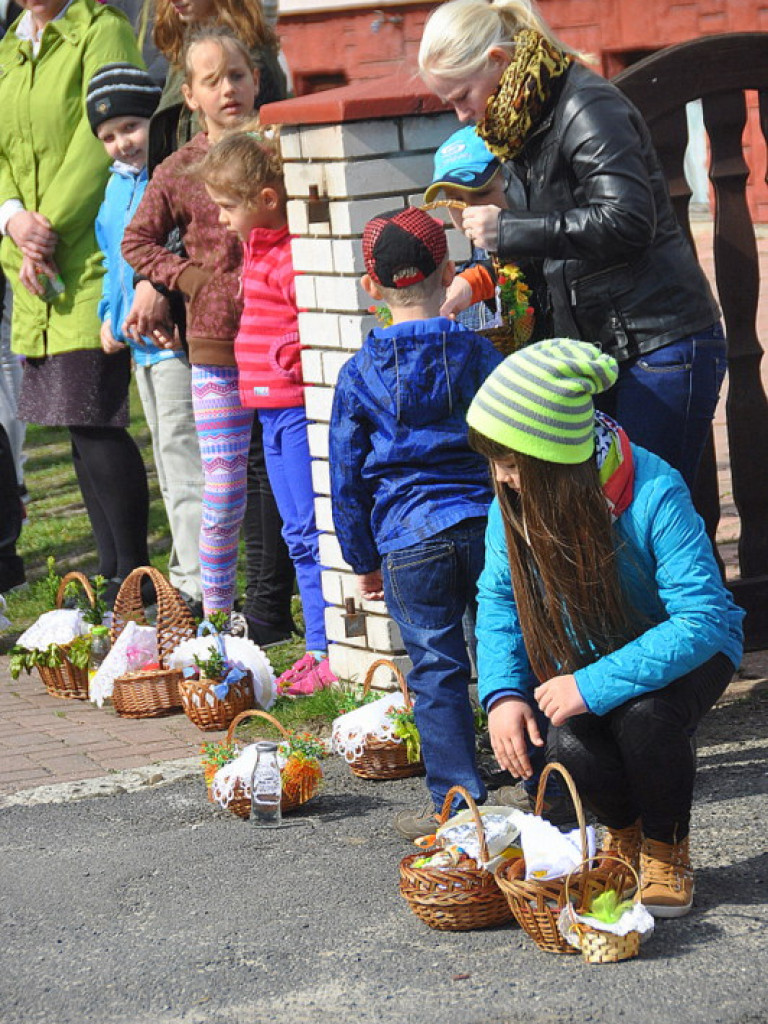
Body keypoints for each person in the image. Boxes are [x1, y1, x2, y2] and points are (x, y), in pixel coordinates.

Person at [467, 338, 744, 917]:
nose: (502, 480)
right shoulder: (511, 508)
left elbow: (702, 618)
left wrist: (591, 685)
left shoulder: (653, 490)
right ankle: (625, 833)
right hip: (591, 660)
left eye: (513, 465)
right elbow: (498, 604)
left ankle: (666, 847)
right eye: (496, 463)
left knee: (644, 718)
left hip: (689, 649)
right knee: (569, 744)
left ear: (555, 459)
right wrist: (503, 694)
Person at [419, 0, 726, 491]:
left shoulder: (585, 106)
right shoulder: (520, 120)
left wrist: (509, 230)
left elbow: (627, 220)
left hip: (658, 343)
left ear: (498, 60)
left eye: (462, 95)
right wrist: (477, 281)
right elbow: (553, 246)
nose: (461, 114)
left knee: (649, 519)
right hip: (605, 349)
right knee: (624, 521)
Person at [329, 207, 503, 838]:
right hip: (488, 526)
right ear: (450, 270)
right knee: (507, 648)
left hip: (408, 536)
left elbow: (346, 476)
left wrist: (363, 558)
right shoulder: (479, 352)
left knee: (434, 670)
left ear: (371, 288)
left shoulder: (358, 374)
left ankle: (459, 796)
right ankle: (535, 768)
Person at [0, 0, 150, 608]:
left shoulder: (102, 28)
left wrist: (45, 228)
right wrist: (12, 221)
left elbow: (101, 146)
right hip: (30, 266)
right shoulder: (10, 44)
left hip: (88, 256)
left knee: (96, 416)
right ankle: (113, 576)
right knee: (75, 426)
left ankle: (135, 580)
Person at [121, 26, 262, 624]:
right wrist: (189, 279)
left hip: (286, 339)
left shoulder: (280, 148)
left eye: (237, 74)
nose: (228, 88)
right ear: (191, 95)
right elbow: (136, 240)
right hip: (215, 345)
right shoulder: (179, 169)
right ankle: (216, 617)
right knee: (224, 488)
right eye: (213, 81)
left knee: (294, 488)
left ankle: (307, 616)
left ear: (256, 79)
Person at [198, 126, 334, 693]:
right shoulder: (259, 246)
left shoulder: (289, 259)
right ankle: (316, 647)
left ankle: (325, 649)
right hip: (269, 414)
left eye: (230, 206)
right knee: (293, 530)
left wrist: (290, 354)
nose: (224, 219)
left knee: (305, 529)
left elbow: (317, 319)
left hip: (294, 411)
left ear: (266, 201)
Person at [87, 62, 204, 617]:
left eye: (129, 128)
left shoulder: (166, 179)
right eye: (107, 137)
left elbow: (170, 252)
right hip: (139, 346)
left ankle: (197, 586)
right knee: (167, 460)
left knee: (187, 464)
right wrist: (108, 315)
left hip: (174, 342)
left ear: (152, 123)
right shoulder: (114, 191)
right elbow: (113, 262)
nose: (119, 144)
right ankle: (188, 570)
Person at [148, 0, 286, 174]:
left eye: (236, 76)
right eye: (212, 81)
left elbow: (264, 146)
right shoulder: (184, 49)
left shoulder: (245, 54)